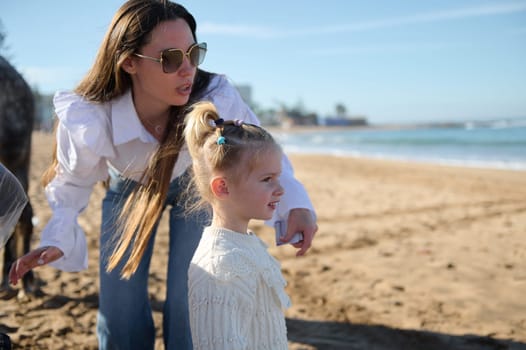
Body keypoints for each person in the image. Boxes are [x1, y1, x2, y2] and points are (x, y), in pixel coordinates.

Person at [8, 1, 317, 349]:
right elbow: (73, 180)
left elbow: (260, 152)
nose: (187, 70)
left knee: (192, 297)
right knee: (119, 310)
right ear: (129, 63)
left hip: (199, 187)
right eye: (170, 58)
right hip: (129, 185)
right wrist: (56, 237)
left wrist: (296, 205)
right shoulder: (92, 113)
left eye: (194, 53)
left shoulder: (214, 96)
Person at [184, 101, 292, 349]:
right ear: (223, 187)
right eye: (267, 179)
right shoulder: (218, 265)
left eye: (278, 177)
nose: (280, 189)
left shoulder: (246, 243)